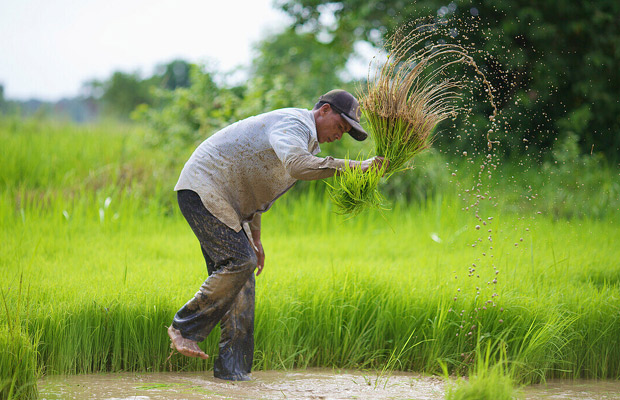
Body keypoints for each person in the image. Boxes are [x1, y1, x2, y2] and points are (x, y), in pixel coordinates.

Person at [167, 89, 385, 381]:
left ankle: (234, 375)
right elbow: (297, 165)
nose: (339, 136)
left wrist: (256, 239)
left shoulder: (306, 141)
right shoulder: (295, 124)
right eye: (340, 127)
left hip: (229, 203)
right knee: (239, 261)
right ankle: (184, 328)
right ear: (324, 111)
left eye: (345, 132)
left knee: (243, 287)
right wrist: (358, 167)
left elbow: (255, 188)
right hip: (204, 188)